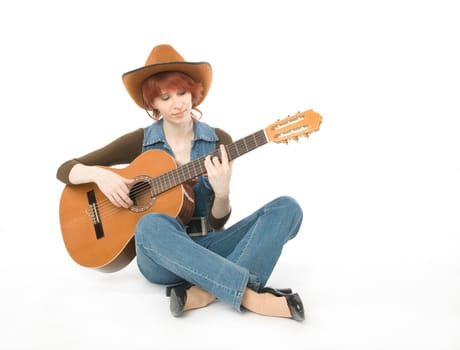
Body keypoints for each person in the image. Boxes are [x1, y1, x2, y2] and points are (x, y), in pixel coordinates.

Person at [56, 44, 305, 321]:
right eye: (165, 97)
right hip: (161, 257)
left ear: (194, 92)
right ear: (152, 104)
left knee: (287, 208)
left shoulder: (218, 140)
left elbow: (218, 222)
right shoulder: (140, 141)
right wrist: (101, 176)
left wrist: (222, 194)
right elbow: (65, 169)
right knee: (150, 224)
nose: (178, 104)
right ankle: (249, 296)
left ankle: (203, 293)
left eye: (183, 93)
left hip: (208, 244)